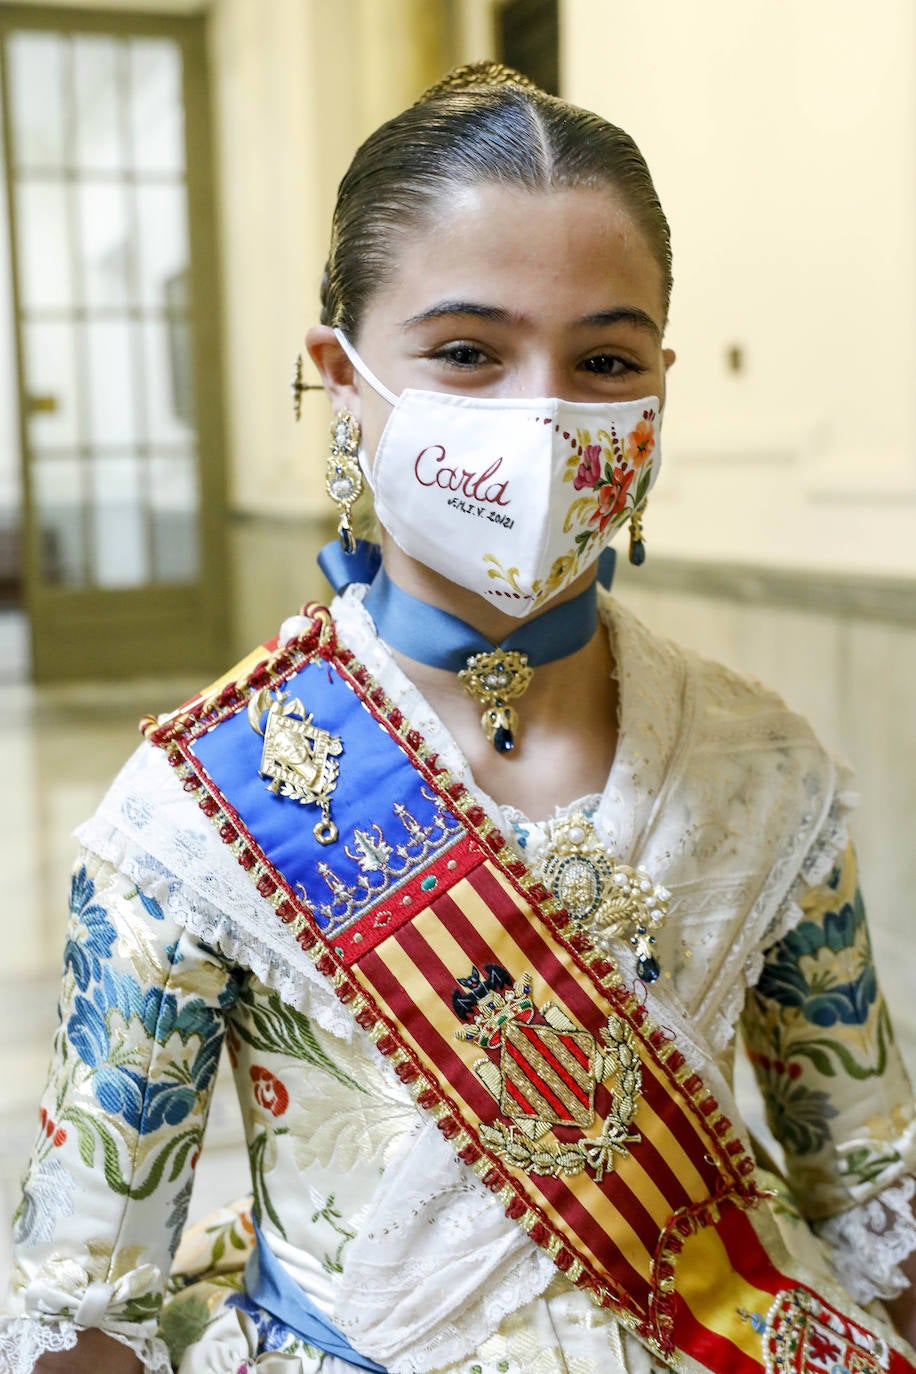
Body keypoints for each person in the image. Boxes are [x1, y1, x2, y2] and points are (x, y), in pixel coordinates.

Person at [2, 60, 915, 1374]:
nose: (540, 419)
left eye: (604, 359)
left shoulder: (765, 765)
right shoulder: (195, 800)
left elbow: (877, 1200)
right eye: (469, 352)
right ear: (341, 375)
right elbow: (84, 1306)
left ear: (660, 391)